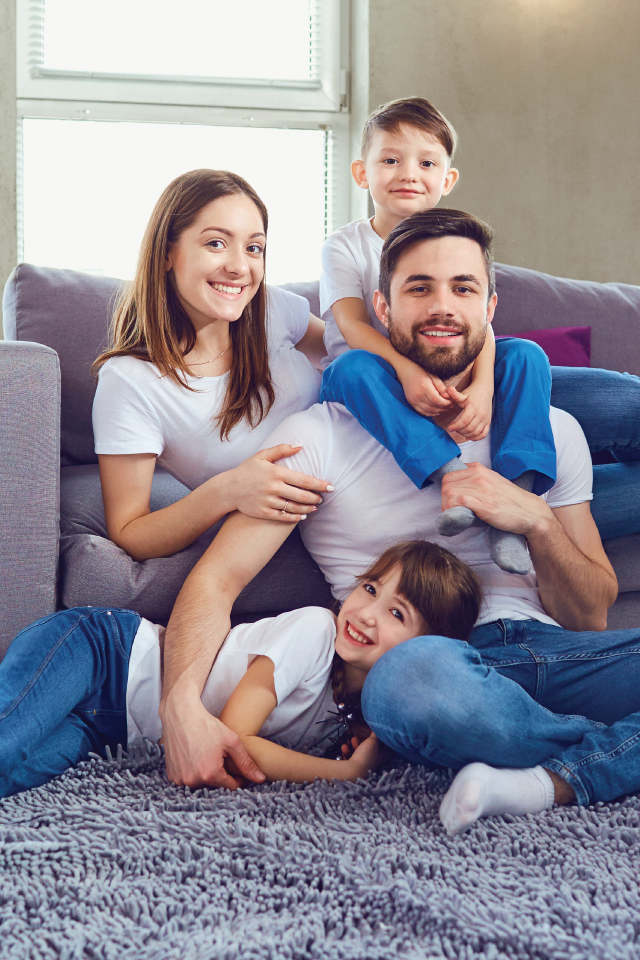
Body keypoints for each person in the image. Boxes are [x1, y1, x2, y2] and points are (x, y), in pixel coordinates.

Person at [158, 208, 640, 839]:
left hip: (549, 648)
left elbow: (590, 616)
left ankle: (546, 779)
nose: (443, 305)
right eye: (420, 288)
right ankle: (605, 749)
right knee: (407, 681)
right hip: (429, 666)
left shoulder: (551, 432)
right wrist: (180, 708)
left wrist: (537, 523)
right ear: (381, 310)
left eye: (463, 288)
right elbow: (216, 580)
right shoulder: (321, 437)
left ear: (491, 309)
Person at [318, 97, 640, 556]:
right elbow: (350, 324)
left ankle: (517, 495)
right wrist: (408, 373)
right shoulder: (345, 246)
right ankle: (452, 477)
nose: (408, 173)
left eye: (426, 162)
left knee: (527, 354)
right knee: (352, 368)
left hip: (457, 368)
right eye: (391, 160)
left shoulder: (457, 241)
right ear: (361, 173)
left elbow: (482, 327)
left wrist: (485, 386)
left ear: (446, 180)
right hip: (375, 372)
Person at [0, 541, 482, 799]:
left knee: (15, 774)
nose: (367, 613)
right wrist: (346, 774)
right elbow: (233, 739)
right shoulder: (314, 632)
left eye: (398, 614)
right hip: (102, 653)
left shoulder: (362, 712)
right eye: (371, 590)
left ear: (429, 648)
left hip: (107, 730)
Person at [92, 168, 332, 563]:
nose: (240, 267)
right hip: (288, 529)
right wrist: (228, 490)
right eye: (217, 243)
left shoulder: (271, 308)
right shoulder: (131, 382)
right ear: (167, 253)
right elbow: (130, 531)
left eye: (254, 248)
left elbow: (353, 355)